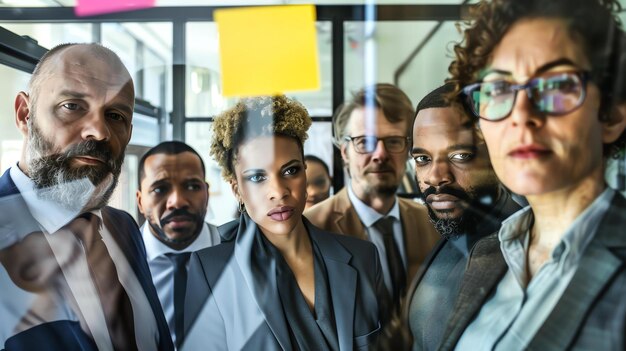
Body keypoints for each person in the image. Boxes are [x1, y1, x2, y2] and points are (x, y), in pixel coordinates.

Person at [437, 0, 626, 349]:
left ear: (611, 115)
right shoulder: (488, 254)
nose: (521, 115)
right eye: (498, 90)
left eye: (555, 86)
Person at [0, 43, 173, 350]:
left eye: (115, 115)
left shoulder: (124, 227)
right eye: (72, 106)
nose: (99, 131)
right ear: (25, 114)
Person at [182, 95, 385, 351]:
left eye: (290, 171)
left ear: (305, 173)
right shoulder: (211, 271)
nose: (278, 191)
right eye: (257, 177)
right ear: (237, 190)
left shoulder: (363, 257)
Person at [404, 83, 521, 351]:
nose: (435, 177)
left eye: (460, 156)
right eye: (423, 159)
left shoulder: (524, 249)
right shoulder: (452, 234)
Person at [305, 83, 439, 308]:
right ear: (345, 152)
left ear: (409, 150)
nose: (380, 154)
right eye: (364, 142)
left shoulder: (432, 222)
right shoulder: (312, 229)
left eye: (394, 141)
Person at [136, 141, 221, 348]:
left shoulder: (239, 253)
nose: (177, 201)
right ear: (140, 201)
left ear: (206, 193)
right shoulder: (118, 262)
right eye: (160, 189)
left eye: (192, 186)